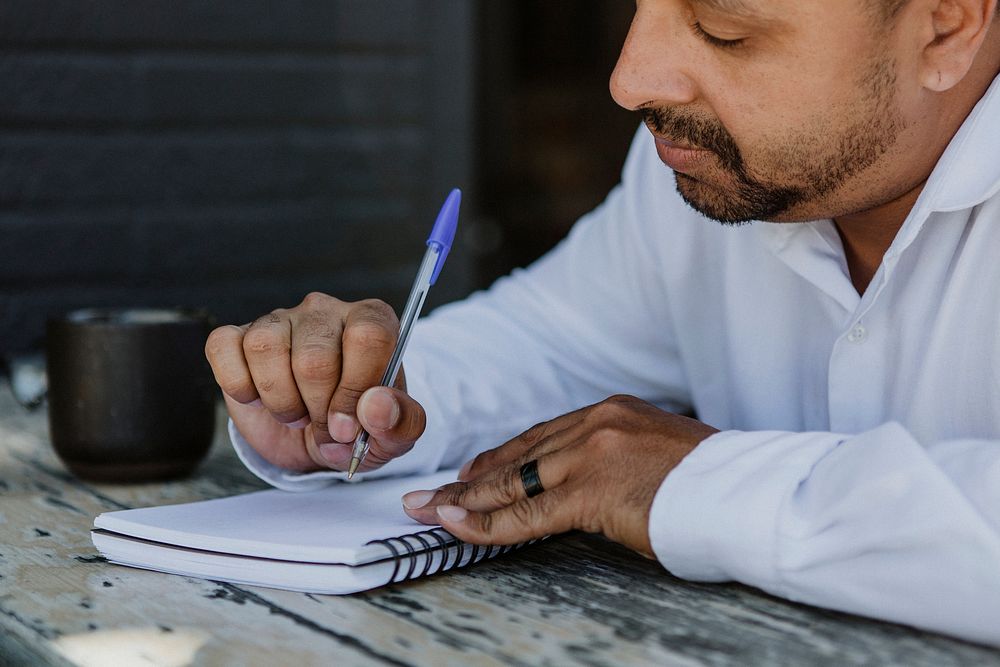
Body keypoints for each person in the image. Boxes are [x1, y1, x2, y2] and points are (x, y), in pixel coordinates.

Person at [205, 0, 1000, 646]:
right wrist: (363, 390)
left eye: (724, 28)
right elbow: (550, 338)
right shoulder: (704, 174)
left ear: (949, 25)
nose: (630, 80)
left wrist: (695, 481)